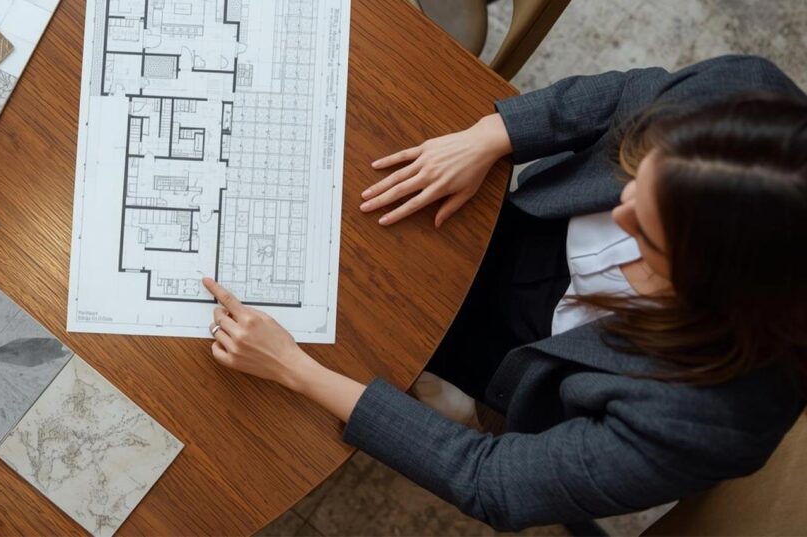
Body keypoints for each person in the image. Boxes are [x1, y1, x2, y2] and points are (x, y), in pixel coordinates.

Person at [201, 55, 807, 530]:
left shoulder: (702, 421)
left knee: (353, 336)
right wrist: (494, 135)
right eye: (633, 178)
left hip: (524, 354)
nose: (618, 214)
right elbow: (629, 94)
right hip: (525, 222)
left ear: (716, 288)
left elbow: (491, 484)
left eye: (647, 234)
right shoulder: (742, 102)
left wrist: (293, 369)